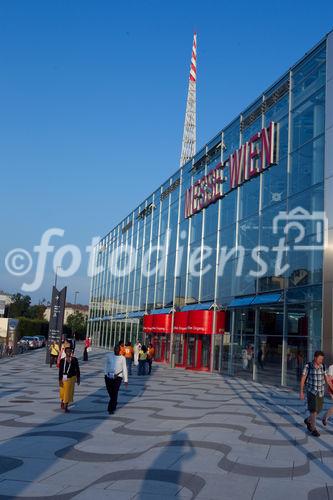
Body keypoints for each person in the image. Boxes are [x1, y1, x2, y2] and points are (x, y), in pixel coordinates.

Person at [300, 350, 333, 437]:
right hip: (311, 391)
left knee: (319, 409)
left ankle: (308, 420)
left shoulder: (323, 366)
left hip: (320, 392)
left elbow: (327, 380)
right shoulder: (308, 366)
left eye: (322, 359)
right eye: (320, 359)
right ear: (315, 358)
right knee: (313, 410)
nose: (321, 361)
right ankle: (313, 428)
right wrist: (301, 392)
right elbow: (303, 379)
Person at [104, 345, 128, 414]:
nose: (116, 350)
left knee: (115, 392)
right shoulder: (109, 356)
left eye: (117, 349)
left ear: (119, 350)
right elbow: (106, 365)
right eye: (115, 349)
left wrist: (125, 380)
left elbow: (124, 369)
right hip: (108, 376)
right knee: (110, 391)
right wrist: (105, 374)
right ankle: (114, 401)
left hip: (118, 377)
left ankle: (110, 408)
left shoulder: (122, 358)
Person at [59, 347, 80, 413]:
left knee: (69, 392)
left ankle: (66, 406)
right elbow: (60, 371)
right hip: (64, 378)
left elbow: (77, 369)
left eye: (70, 351)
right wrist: (60, 380)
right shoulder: (62, 360)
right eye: (67, 351)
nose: (69, 352)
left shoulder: (74, 359)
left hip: (72, 378)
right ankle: (62, 401)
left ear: (71, 352)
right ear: (65, 352)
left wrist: (78, 378)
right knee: (63, 391)